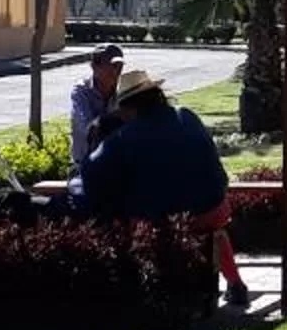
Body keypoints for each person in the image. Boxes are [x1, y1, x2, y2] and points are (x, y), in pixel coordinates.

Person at [76, 68, 228, 226]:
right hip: (217, 209)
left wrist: (96, 139)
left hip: (172, 223)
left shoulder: (123, 138)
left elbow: (89, 173)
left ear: (126, 108)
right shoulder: (186, 115)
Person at [68, 43, 126, 168]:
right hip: (84, 164)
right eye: (112, 65)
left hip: (115, 163)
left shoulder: (124, 91)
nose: (116, 71)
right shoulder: (81, 92)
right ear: (94, 67)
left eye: (119, 66)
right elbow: (88, 128)